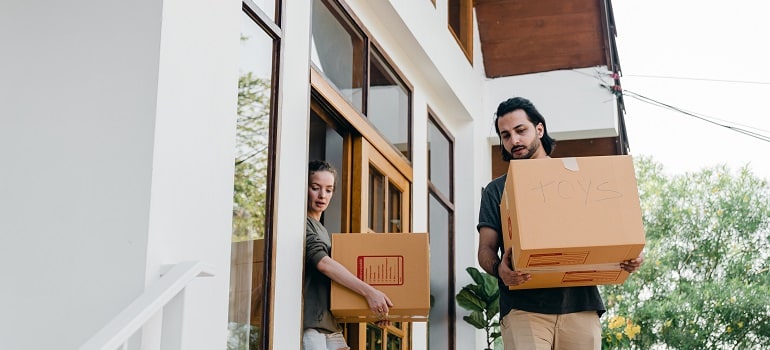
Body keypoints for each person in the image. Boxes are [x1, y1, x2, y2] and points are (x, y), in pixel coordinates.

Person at [477, 97, 644, 350]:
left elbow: (611, 228)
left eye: (521, 130)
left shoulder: (576, 177)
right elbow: (485, 249)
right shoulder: (496, 190)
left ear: (539, 129)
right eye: (506, 135)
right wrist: (499, 269)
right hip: (524, 309)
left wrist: (630, 254)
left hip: (581, 305)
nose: (514, 141)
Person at [303, 160, 393, 350]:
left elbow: (336, 285)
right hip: (310, 325)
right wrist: (370, 293)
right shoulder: (302, 223)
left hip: (330, 324)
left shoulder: (322, 231)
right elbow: (323, 264)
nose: (322, 195)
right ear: (304, 187)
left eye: (328, 190)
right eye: (315, 188)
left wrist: (373, 310)